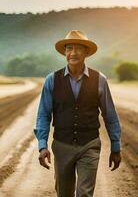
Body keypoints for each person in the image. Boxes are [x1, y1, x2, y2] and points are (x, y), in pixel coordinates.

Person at [34, 30, 122, 197]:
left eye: (78, 49)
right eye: (69, 48)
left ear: (86, 52)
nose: (73, 53)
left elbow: (110, 115)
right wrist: (42, 145)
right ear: (65, 52)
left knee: (84, 194)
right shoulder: (52, 80)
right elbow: (43, 115)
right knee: (64, 194)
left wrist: (116, 146)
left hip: (90, 145)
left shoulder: (100, 80)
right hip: (62, 145)